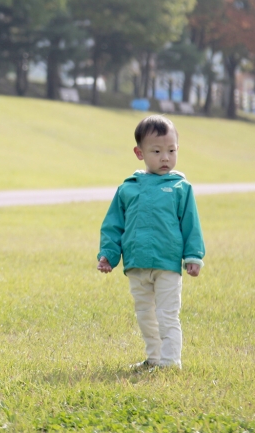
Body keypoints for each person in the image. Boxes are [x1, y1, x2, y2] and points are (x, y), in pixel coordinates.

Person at [97, 114, 205, 370]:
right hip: (136, 264)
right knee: (146, 315)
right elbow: (113, 226)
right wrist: (108, 255)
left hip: (167, 264)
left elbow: (191, 225)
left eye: (171, 150)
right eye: (156, 151)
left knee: (166, 315)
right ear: (139, 153)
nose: (165, 157)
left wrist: (193, 256)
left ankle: (170, 362)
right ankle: (154, 358)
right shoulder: (128, 188)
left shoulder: (180, 188)